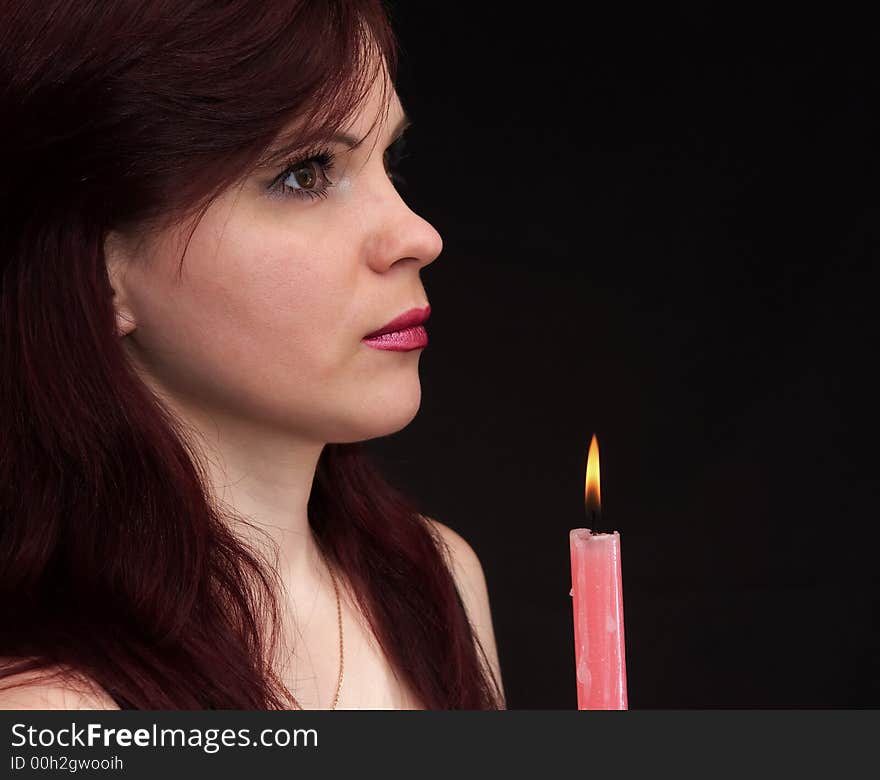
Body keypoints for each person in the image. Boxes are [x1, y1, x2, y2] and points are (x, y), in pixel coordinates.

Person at [0, 0, 505, 710]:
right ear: (99, 270)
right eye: (305, 174)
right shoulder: (54, 711)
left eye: (387, 159)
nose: (417, 235)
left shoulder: (439, 581)